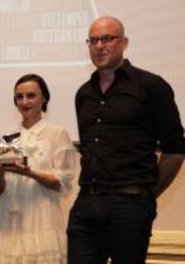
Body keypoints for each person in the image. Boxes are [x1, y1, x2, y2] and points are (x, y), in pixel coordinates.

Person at [67, 16, 185, 264]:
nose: (99, 46)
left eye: (107, 39)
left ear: (125, 42)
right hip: (87, 202)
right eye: (93, 40)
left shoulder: (151, 86)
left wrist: (146, 193)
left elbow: (175, 149)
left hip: (130, 205)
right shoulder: (83, 94)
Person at [0, 74, 77, 264]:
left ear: (44, 98)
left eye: (31, 95)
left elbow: (62, 184)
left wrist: (30, 172)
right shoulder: (7, 139)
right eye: (19, 97)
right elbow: (0, 191)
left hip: (43, 223)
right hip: (9, 227)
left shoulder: (57, 133)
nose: (24, 101)